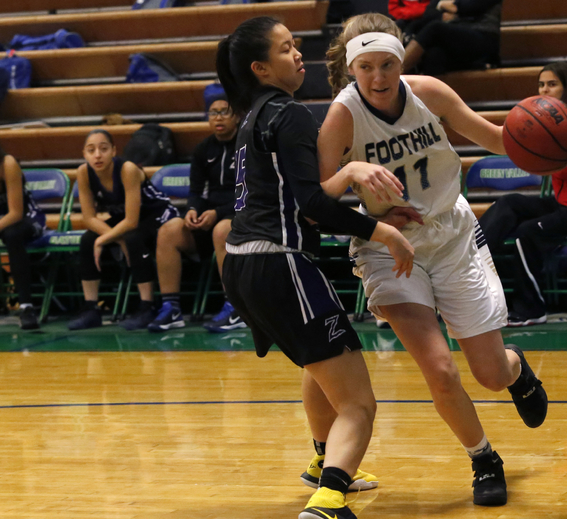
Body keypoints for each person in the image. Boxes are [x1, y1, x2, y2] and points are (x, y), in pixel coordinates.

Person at [320, 12, 549, 507]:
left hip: (451, 236)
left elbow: (493, 137)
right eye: (366, 68)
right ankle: (483, 457)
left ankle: (517, 371)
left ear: (401, 59)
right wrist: (352, 170)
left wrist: (560, 140)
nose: (378, 78)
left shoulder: (430, 92)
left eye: (386, 65)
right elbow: (316, 195)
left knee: (489, 374)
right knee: (440, 370)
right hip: (388, 246)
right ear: (351, 67)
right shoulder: (341, 116)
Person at [216, 16, 415, 519]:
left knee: (320, 359)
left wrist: (346, 175)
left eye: (295, 44)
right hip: (279, 264)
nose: (298, 54)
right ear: (261, 68)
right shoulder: (291, 114)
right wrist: (382, 229)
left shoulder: (248, 118)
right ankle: (327, 499)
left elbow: (287, 198)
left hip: (240, 265)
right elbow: (310, 207)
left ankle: (322, 458)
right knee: (359, 404)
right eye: (285, 50)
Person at [479, 62, 567, 325]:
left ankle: (532, 308)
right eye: (541, 84)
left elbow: (564, 169)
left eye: (552, 84)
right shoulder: (550, 116)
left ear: (566, 89)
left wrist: (544, 146)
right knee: (509, 204)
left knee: (528, 232)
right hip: (566, 203)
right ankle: (471, 262)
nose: (545, 89)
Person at [148, 85, 247, 333]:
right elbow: (196, 191)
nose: (219, 117)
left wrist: (218, 213)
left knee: (222, 230)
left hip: (243, 216)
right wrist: (192, 210)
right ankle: (171, 308)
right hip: (209, 218)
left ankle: (236, 307)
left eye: (225, 111)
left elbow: (251, 192)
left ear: (236, 116)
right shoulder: (203, 149)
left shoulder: (247, 146)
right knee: (169, 231)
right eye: (213, 113)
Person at [68, 129, 179, 331]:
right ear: (84, 154)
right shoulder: (83, 172)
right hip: (127, 218)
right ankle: (91, 309)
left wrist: (104, 240)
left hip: (155, 213)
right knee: (87, 240)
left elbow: (131, 221)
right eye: (91, 150)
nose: (97, 155)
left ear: (114, 151)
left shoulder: (127, 169)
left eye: (103, 149)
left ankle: (147, 306)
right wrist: (113, 239)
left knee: (132, 239)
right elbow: (88, 218)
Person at [0, 147, 46, 330]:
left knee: (12, 234)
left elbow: (16, 213)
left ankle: (26, 307)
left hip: (27, 219)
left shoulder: (7, 163)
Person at [402, 0, 502, 76]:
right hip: (455, 38)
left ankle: (396, 73)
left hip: (483, 38)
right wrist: (444, 11)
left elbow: (469, 7)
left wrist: (443, 5)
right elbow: (428, 13)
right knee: (434, 55)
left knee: (435, 28)